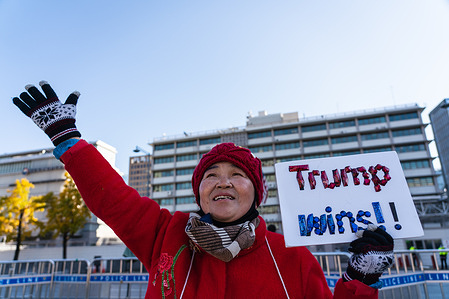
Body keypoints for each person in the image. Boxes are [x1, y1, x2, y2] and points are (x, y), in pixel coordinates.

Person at [12, 81, 395, 298]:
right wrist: (70, 143)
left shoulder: (289, 255)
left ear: (255, 193)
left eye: (237, 174)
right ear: (200, 193)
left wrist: (359, 282)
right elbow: (112, 199)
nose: (224, 181)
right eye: (211, 174)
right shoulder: (166, 233)